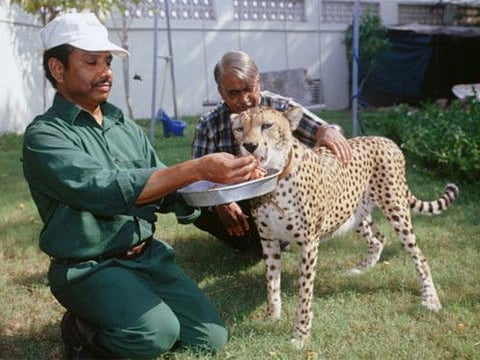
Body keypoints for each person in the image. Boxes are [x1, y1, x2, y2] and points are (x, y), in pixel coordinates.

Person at [22, 13, 260, 359]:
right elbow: (102, 189)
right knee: (155, 334)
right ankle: (82, 333)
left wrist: (218, 193)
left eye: (107, 62)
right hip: (88, 268)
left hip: (146, 256)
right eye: (91, 62)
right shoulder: (44, 136)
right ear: (58, 69)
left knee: (211, 337)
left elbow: (163, 186)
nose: (105, 71)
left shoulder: (125, 128)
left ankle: (130, 311)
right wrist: (196, 167)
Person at [192, 51, 352, 252]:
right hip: (238, 198)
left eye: (249, 89)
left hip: (284, 196)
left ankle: (276, 235)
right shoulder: (208, 125)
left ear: (258, 82)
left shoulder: (280, 108)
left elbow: (321, 128)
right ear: (221, 92)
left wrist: (329, 131)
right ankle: (253, 239)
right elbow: (197, 177)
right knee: (198, 212)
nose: (245, 99)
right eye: (234, 93)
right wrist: (220, 202)